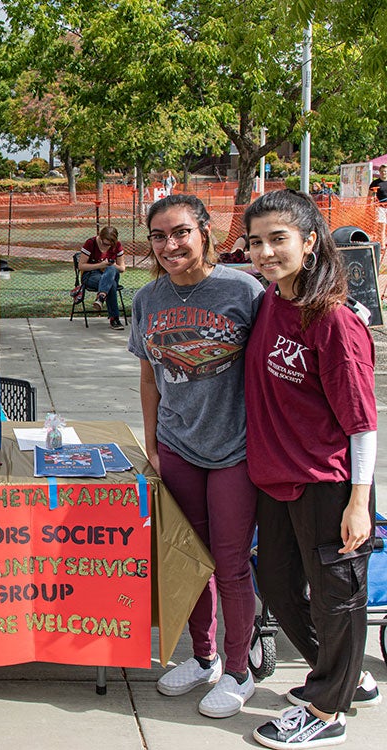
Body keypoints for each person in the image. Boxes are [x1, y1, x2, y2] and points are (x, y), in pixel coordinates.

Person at [244, 190, 379, 749]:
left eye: (279, 238)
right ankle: (346, 672)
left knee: (336, 595)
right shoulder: (272, 300)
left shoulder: (334, 323)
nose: (266, 251)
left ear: (309, 241)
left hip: (329, 485)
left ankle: (328, 710)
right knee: (276, 583)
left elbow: (362, 422)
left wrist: (358, 500)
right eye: (256, 241)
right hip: (276, 478)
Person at [128, 194, 264, 719]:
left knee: (230, 564)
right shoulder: (147, 300)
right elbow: (148, 376)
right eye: (158, 236)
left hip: (235, 450)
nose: (169, 245)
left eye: (180, 232)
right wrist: (153, 444)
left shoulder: (243, 291)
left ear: (205, 231)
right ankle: (203, 658)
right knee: (190, 560)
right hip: (178, 446)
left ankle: (237, 671)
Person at [78, 225, 127, 330]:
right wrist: (100, 265)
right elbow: (81, 266)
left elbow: (122, 268)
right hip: (91, 274)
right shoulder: (90, 243)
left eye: (109, 245)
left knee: (112, 270)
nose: (106, 246)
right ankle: (114, 319)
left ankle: (101, 297)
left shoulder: (117, 246)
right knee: (112, 285)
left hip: (110, 273)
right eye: (104, 243)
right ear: (100, 237)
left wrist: (111, 265)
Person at [368, 164, 387, 246]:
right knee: (381, 226)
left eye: (385, 171)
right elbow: (369, 195)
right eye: (382, 171)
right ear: (379, 172)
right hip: (381, 207)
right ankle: (382, 245)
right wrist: (368, 205)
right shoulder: (375, 183)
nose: (384, 173)